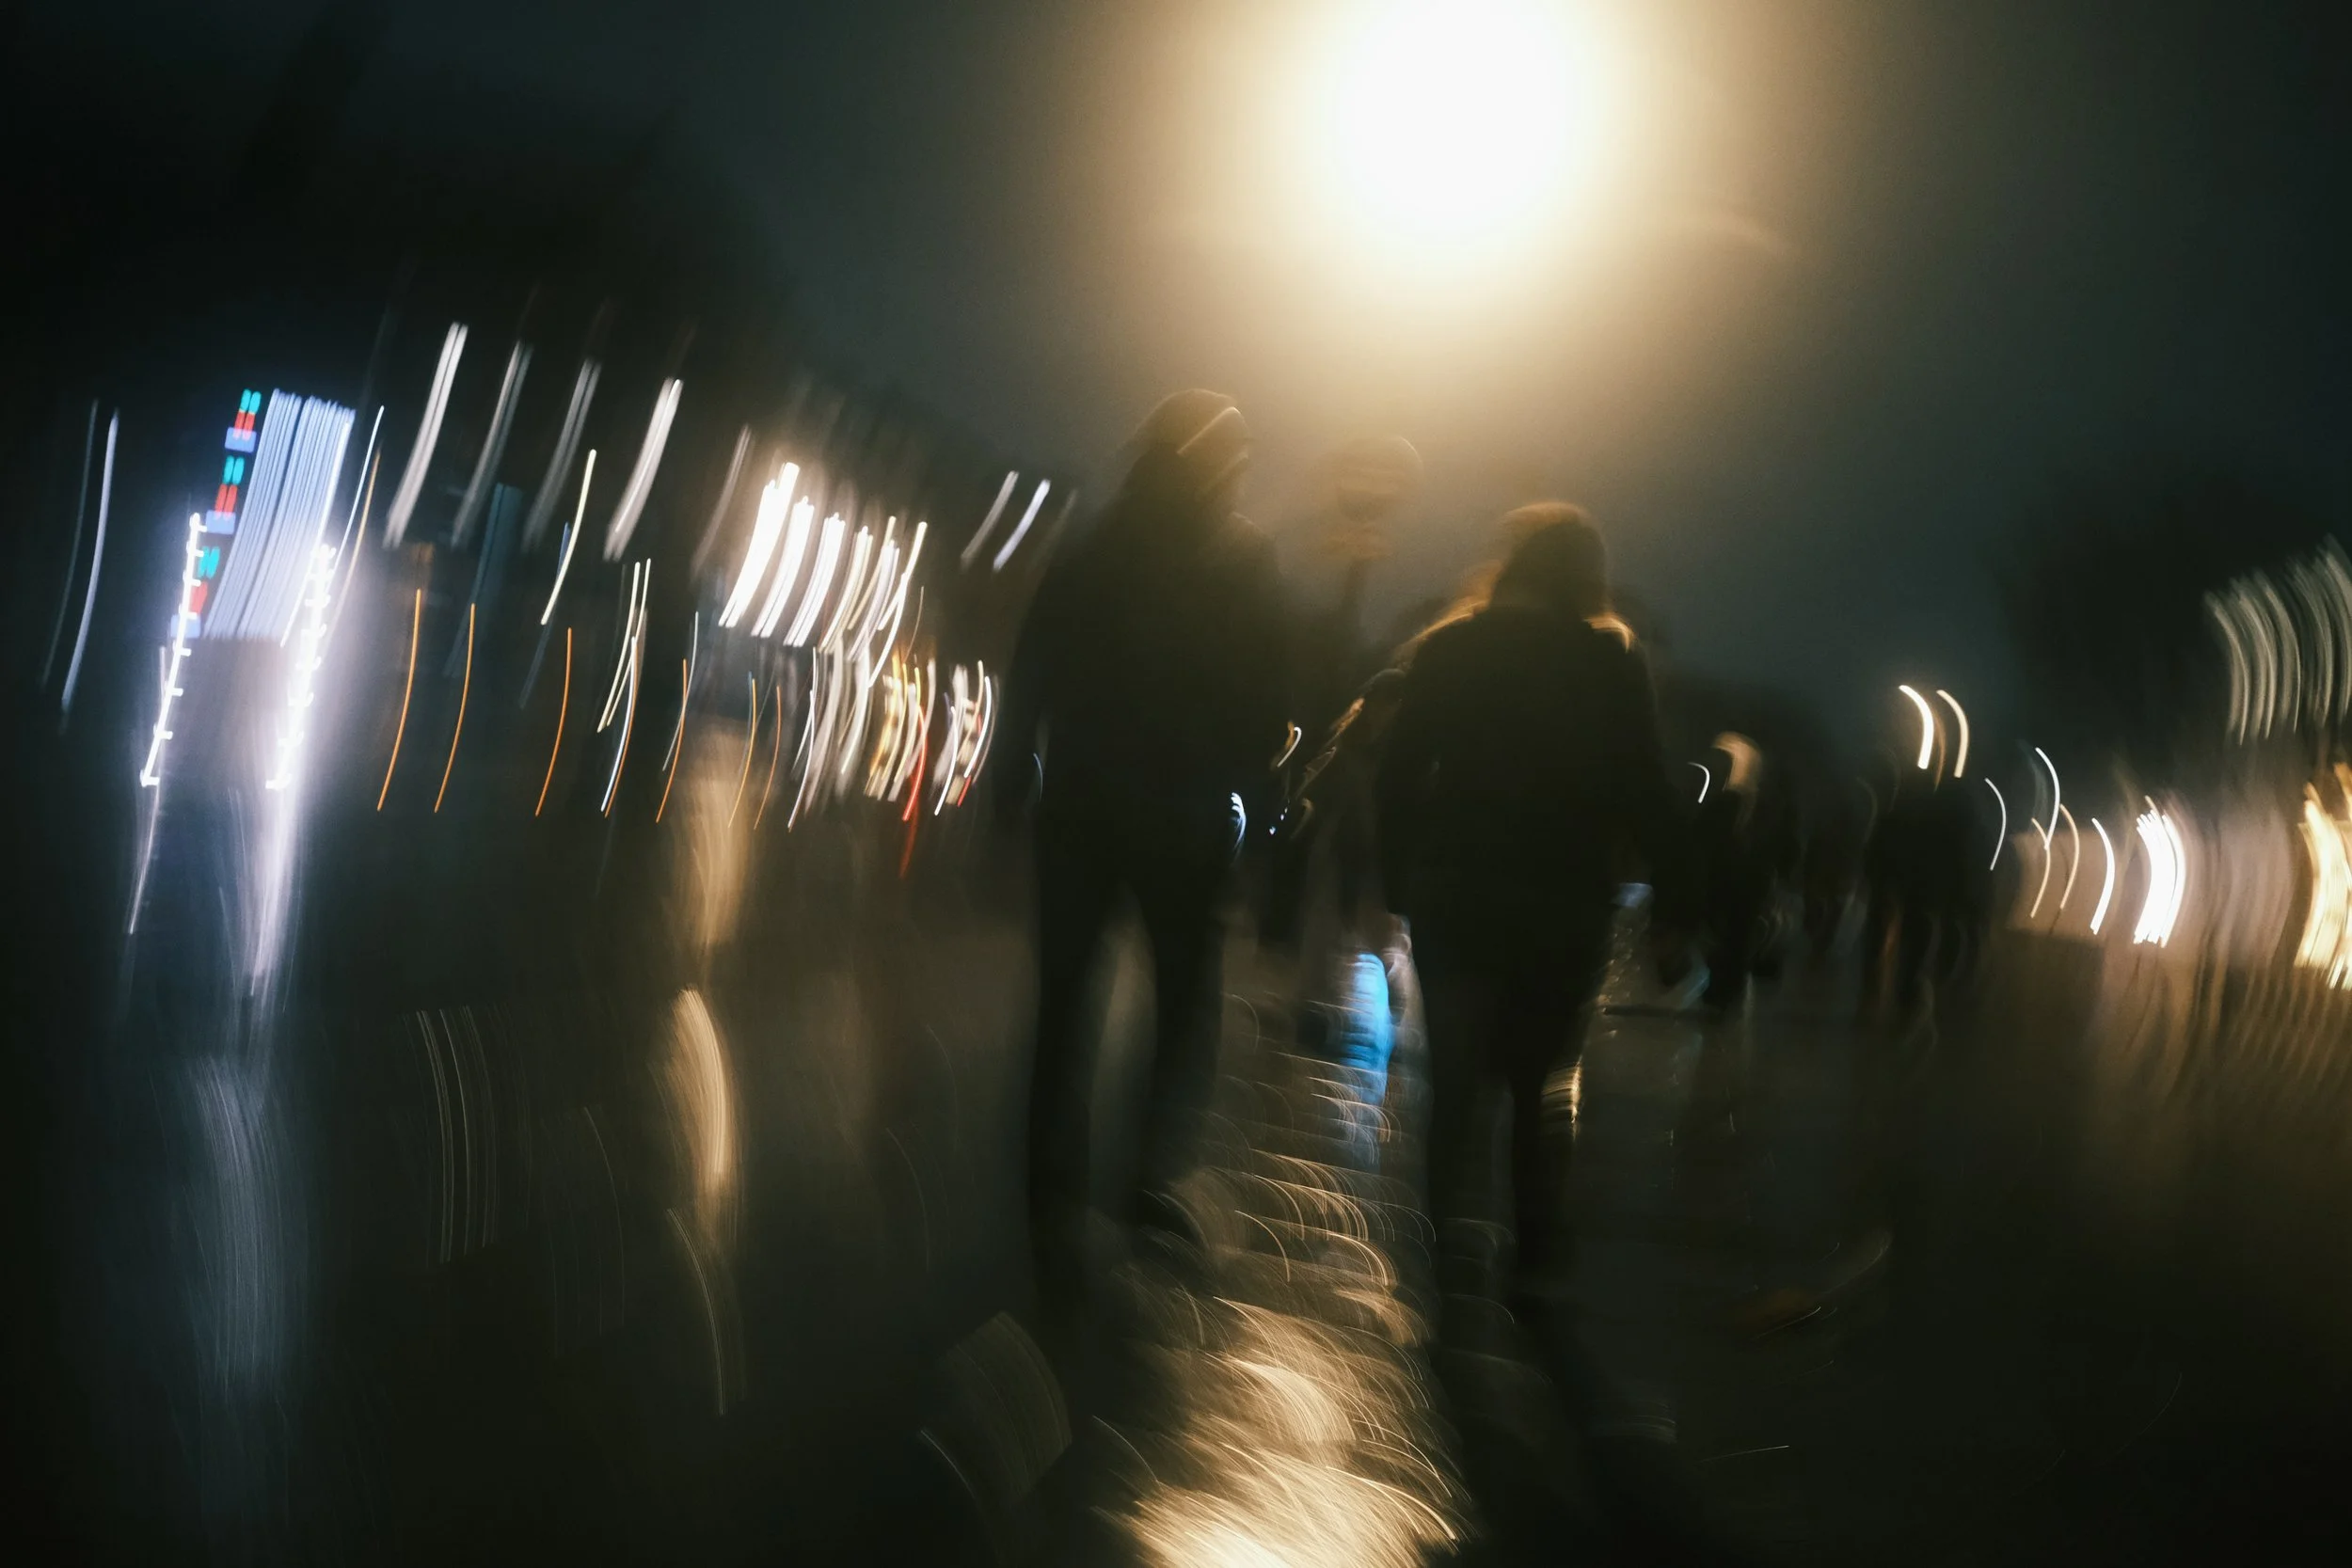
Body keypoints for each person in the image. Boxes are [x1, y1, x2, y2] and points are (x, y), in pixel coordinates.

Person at [1375, 506, 1691, 1456]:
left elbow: (1399, 768)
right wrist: (1680, 907)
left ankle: (1443, 1258)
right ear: (1587, 577)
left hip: (1460, 891)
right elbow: (1647, 787)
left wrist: (1398, 877)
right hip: (1562, 900)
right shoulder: (1609, 664)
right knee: (1543, 1080)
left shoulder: (1453, 648)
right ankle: (1536, 1258)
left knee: (1456, 1077)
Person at [998, 390, 1288, 1327]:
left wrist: (1011, 782)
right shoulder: (1241, 559)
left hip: (1083, 802)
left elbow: (1033, 664)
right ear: (1220, 463)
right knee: (1181, 1002)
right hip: (1182, 812)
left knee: (1067, 1001)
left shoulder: (1096, 544)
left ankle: (1049, 1188)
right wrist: (1266, 814)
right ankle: (1147, 1170)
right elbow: (1262, 696)